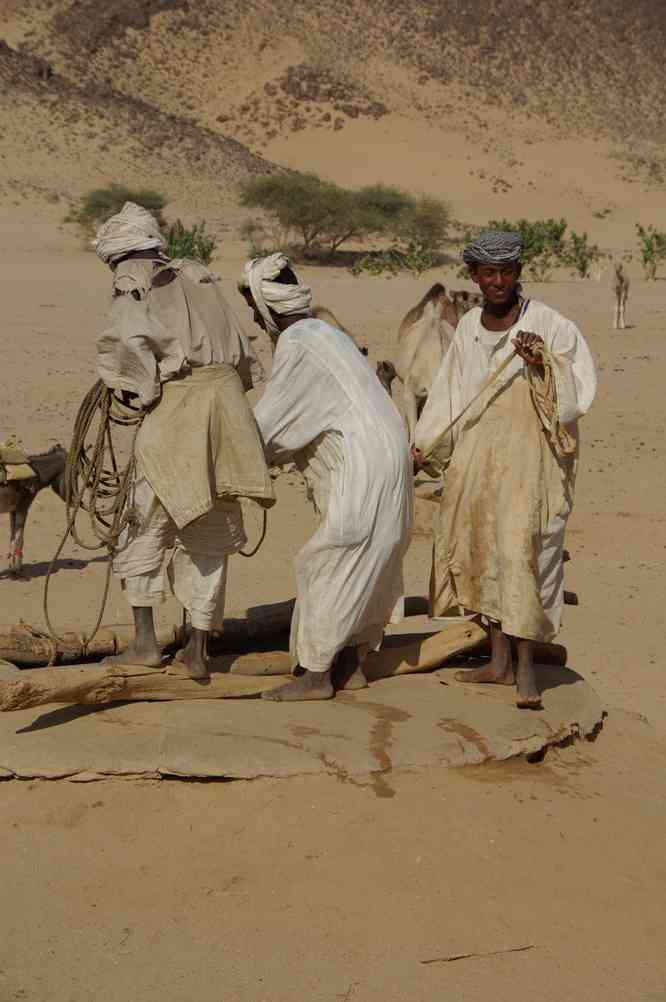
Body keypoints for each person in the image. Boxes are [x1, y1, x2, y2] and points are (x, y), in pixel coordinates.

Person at [413, 231, 597, 708]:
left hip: (527, 455)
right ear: (474, 276)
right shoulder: (469, 327)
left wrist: (543, 362)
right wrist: (425, 445)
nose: (498, 281)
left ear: (518, 273)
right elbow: (448, 394)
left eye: (507, 272)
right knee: (479, 550)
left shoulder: (550, 323)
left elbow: (578, 389)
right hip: (475, 453)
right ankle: (497, 663)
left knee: (520, 553)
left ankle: (526, 670)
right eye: (488, 273)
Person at [94, 202, 274, 679]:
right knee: (210, 529)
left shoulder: (133, 280)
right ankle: (197, 650)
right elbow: (241, 354)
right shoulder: (200, 277)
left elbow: (130, 346)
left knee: (142, 521)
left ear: (117, 254)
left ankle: (145, 643)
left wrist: (135, 392)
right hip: (227, 410)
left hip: (179, 410)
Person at [239, 253, 413, 700]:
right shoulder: (325, 334)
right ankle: (352, 665)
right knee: (366, 558)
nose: (257, 324)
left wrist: (228, 450)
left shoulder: (298, 342)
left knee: (326, 560)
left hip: (362, 464)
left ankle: (316, 675)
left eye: (255, 313)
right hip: (388, 458)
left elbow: (272, 425)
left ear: (265, 308)